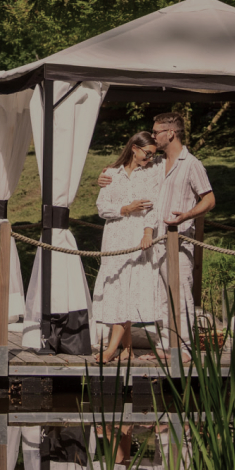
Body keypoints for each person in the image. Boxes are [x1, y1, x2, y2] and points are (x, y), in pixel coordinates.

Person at [99, 112, 215, 351]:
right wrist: (106, 174)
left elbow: (209, 199)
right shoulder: (157, 163)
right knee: (161, 295)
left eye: (156, 132)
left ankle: (184, 349)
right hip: (156, 240)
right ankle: (165, 347)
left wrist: (187, 215)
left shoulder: (191, 164)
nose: (153, 136)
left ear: (170, 133)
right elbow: (130, 168)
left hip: (179, 240)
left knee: (180, 293)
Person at [91, 131, 164, 363]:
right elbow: (102, 207)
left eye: (153, 155)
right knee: (118, 288)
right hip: (114, 238)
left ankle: (111, 349)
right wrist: (125, 208)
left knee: (128, 290)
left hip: (137, 239)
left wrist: (147, 231)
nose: (150, 159)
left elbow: (154, 207)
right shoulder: (112, 174)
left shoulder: (151, 173)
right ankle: (128, 348)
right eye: (147, 154)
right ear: (134, 148)